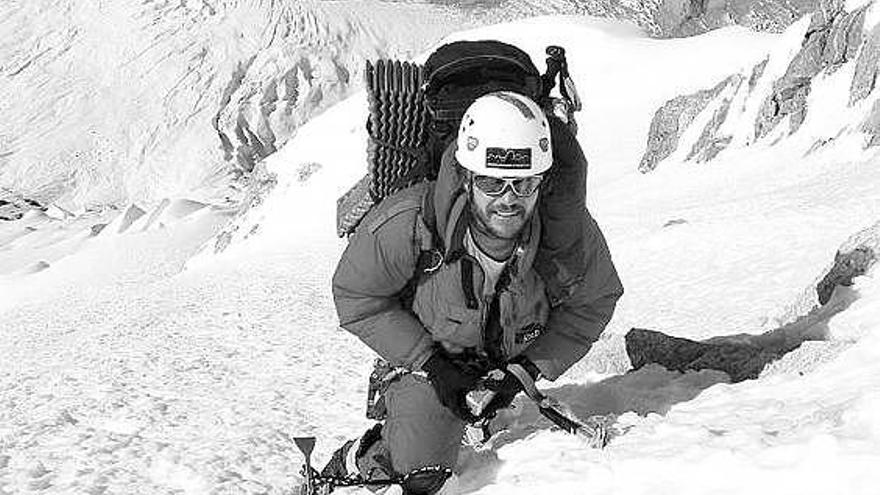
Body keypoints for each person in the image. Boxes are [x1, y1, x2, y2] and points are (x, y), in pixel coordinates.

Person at [329, 91, 622, 493]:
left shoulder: (566, 234)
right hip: (432, 359)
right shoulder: (408, 224)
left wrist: (527, 371)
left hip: (511, 356)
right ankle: (362, 456)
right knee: (421, 473)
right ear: (467, 179)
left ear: (542, 182)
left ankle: (481, 419)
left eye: (524, 184)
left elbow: (594, 302)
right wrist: (429, 363)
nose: (508, 199)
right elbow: (357, 297)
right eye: (491, 182)